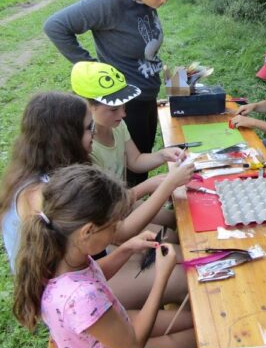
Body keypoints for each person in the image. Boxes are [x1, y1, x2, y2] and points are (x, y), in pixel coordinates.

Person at [0, 92, 191, 309]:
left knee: (178, 255)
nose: (94, 133)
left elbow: (113, 214)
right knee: (183, 276)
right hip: (67, 297)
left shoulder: (43, 171)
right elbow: (120, 232)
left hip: (83, 267)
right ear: (65, 137)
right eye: (88, 128)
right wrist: (167, 186)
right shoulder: (45, 193)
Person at [13, 164, 196, 348]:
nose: (118, 229)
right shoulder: (81, 298)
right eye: (113, 224)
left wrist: (126, 249)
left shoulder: (62, 255)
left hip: (112, 335)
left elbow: (95, 273)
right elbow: (133, 345)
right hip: (125, 347)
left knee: (196, 323)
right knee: (200, 337)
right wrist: (161, 278)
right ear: (88, 231)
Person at [44, 0, 182, 186]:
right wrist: (92, 68)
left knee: (139, 170)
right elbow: (56, 26)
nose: (163, 1)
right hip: (125, 103)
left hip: (147, 98)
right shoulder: (108, 1)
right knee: (128, 178)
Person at [70, 60, 184, 228]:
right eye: (114, 109)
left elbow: (135, 161)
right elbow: (108, 207)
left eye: (124, 107)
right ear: (88, 106)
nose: (123, 114)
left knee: (178, 221)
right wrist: (149, 186)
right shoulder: (87, 149)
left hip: (125, 204)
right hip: (108, 220)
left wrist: (163, 155)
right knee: (171, 236)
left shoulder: (117, 126)